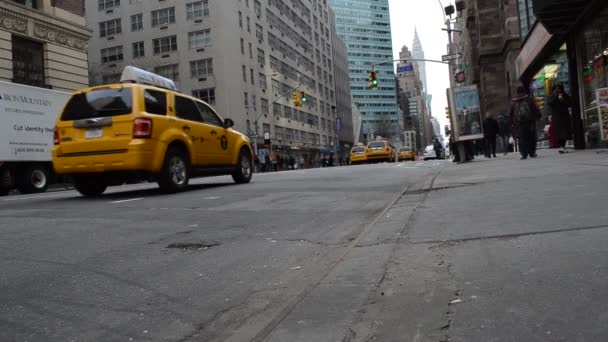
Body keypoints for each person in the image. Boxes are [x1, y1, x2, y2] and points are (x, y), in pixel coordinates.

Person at [509, 85, 542, 160]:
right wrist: (538, 116)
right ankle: (532, 152)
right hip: (530, 122)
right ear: (524, 91)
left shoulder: (514, 101)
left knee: (522, 138)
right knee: (531, 137)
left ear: (517, 92)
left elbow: (511, 113)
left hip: (519, 123)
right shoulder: (529, 99)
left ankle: (524, 154)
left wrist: (512, 123)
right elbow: (534, 108)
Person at [547, 85, 572, 154]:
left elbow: (570, 103)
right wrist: (555, 95)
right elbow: (549, 103)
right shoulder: (552, 96)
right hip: (556, 117)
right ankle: (562, 146)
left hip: (564, 116)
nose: (558, 90)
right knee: (558, 132)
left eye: (559, 89)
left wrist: (563, 100)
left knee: (565, 132)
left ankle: (563, 146)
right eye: (556, 89)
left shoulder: (564, 95)